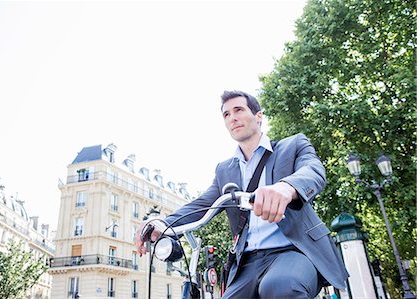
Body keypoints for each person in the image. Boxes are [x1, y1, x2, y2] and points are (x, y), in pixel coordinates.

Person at [135, 90, 349, 298]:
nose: (232, 118)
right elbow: (202, 205)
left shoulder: (292, 146)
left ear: (258, 117)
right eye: (226, 114)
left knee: (280, 287)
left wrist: (286, 187)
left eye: (238, 110)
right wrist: (164, 224)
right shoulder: (224, 170)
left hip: (292, 251)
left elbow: (313, 170)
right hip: (247, 262)